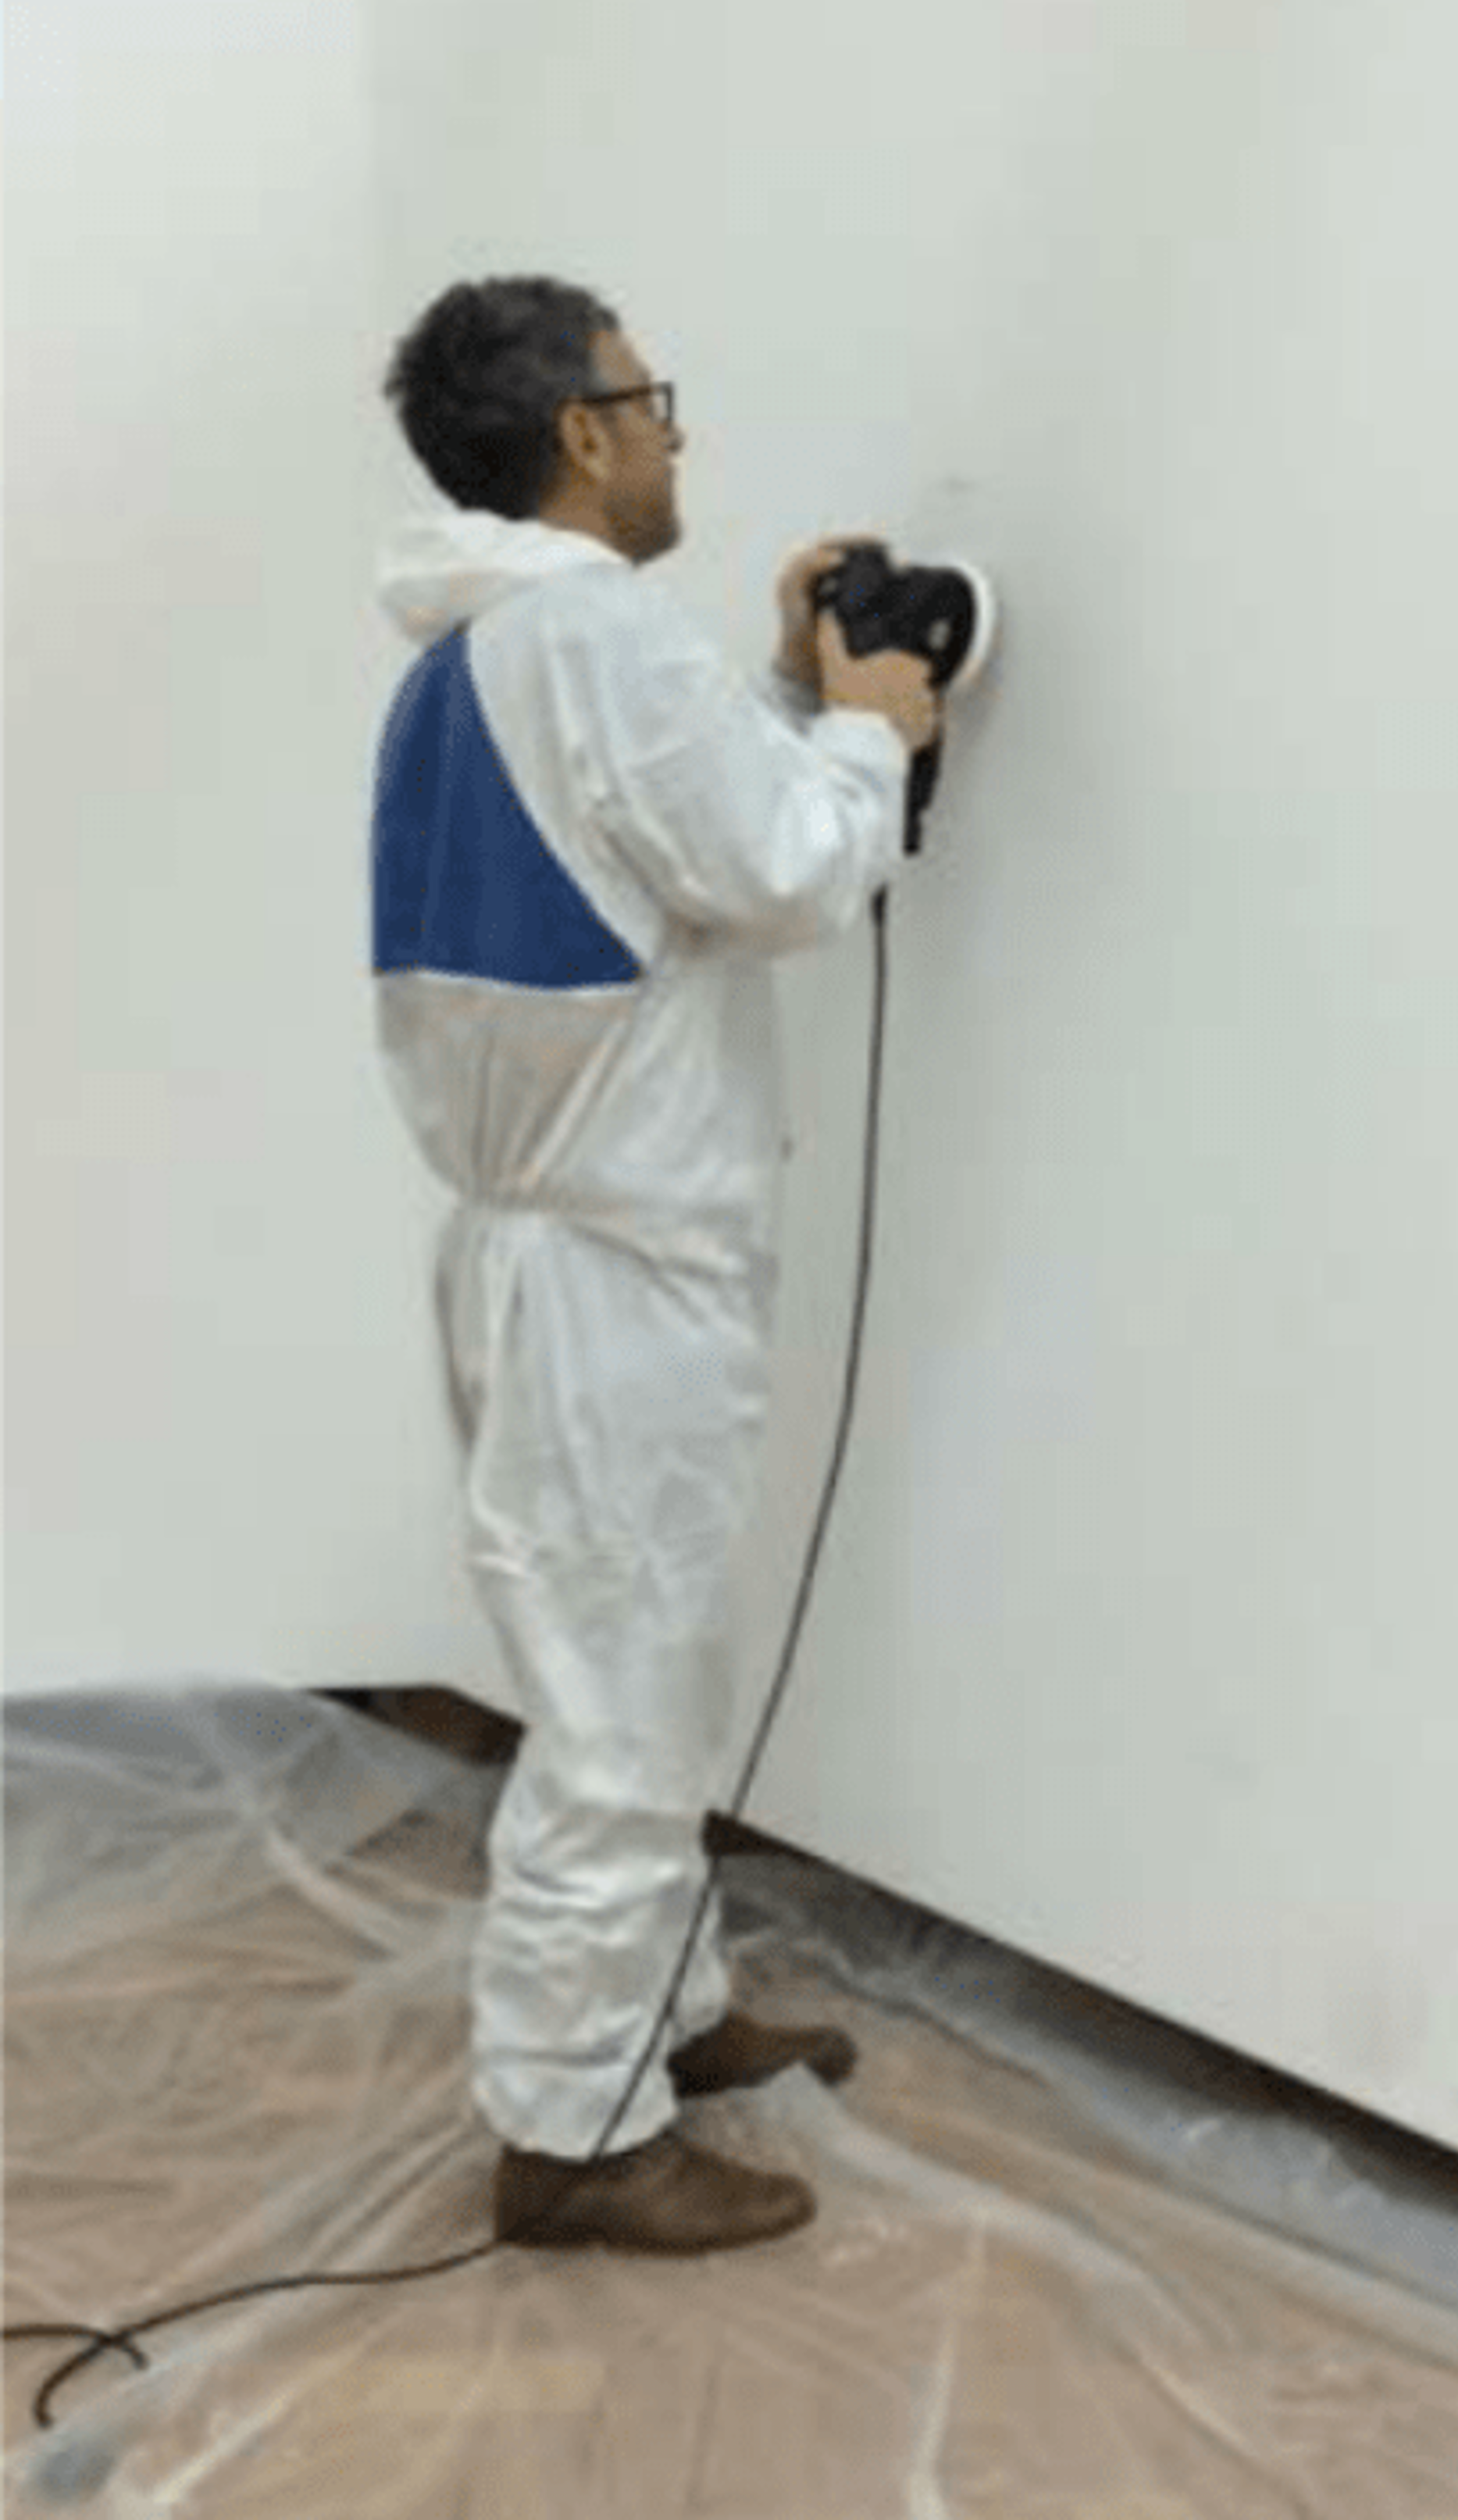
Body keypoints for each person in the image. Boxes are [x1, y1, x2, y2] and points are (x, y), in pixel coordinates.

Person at [373, 276, 941, 2254]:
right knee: (620, 1707)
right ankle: (574, 2134)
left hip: (552, 1247)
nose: (674, 430)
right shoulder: (592, 632)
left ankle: (659, 2013)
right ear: (583, 434)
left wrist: (789, 696)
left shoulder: (484, 651)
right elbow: (779, 875)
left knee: (640, 1668)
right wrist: (870, 738)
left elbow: (666, 853)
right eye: (650, 396)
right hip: (613, 1266)